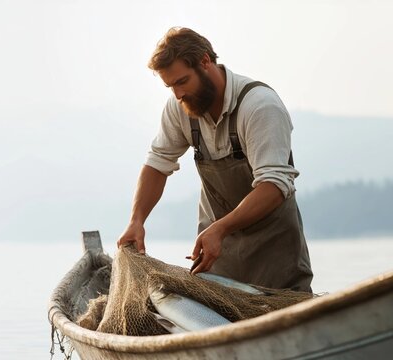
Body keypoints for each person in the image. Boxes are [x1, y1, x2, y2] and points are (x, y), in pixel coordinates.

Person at [117, 27, 313, 292]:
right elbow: (158, 163)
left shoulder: (260, 107)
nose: (177, 95)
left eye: (182, 81)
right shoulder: (180, 108)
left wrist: (220, 229)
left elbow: (274, 186)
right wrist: (136, 220)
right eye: (170, 86)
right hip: (216, 265)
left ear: (205, 62)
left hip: (277, 262)